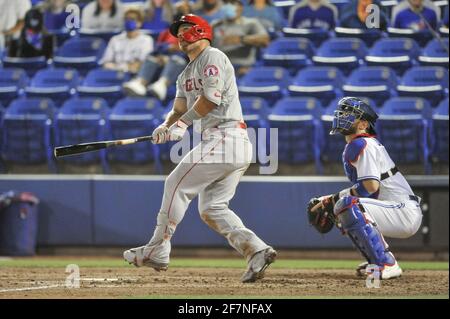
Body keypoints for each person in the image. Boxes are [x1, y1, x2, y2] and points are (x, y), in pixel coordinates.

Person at [123, 14, 277, 283]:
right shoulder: (184, 74)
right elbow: (179, 109)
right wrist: (165, 126)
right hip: (225, 141)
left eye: (185, 29)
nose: (180, 36)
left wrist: (181, 125)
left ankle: (158, 247)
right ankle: (256, 250)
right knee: (212, 208)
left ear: (200, 31)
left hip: (225, 137)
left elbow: (211, 99)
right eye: (177, 32)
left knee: (175, 184)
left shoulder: (213, 56)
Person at [309, 97, 423, 279]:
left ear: (363, 124)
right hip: (395, 208)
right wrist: (331, 199)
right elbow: (368, 189)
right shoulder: (359, 144)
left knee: (347, 206)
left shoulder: (362, 143)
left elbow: (370, 187)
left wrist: (334, 199)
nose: (342, 116)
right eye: (342, 112)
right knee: (344, 205)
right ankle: (375, 259)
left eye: (349, 114)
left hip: (403, 211)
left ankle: (386, 263)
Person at [123, 19, 187, 100]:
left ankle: (161, 85)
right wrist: (162, 55)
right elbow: (157, 49)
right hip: (162, 61)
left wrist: (169, 57)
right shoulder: (166, 33)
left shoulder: (192, 36)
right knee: (151, 59)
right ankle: (139, 83)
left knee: (176, 60)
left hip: (181, 65)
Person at [212, 0, 270, 76]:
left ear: (241, 8)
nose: (229, 6)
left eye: (232, 4)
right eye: (226, 4)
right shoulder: (215, 24)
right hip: (220, 69)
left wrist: (242, 39)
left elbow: (265, 40)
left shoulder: (251, 23)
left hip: (243, 67)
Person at [100, 9, 154, 74]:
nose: (128, 21)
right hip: (115, 73)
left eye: (132, 19)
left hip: (134, 75)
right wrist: (123, 67)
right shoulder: (115, 39)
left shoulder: (146, 40)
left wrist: (122, 67)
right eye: (126, 19)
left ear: (139, 23)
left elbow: (141, 64)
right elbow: (106, 62)